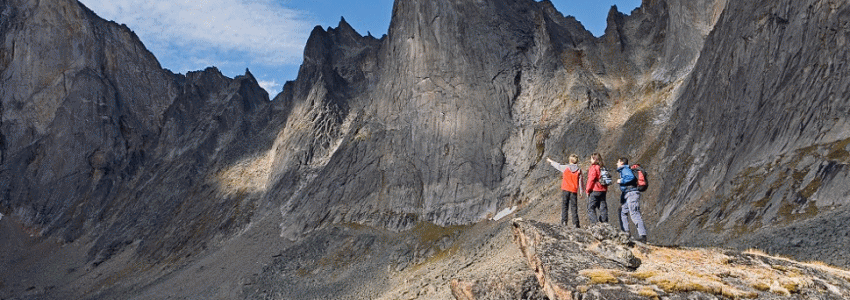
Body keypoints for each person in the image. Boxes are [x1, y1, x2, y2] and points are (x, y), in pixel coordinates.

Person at [547, 154, 585, 228]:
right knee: (574, 207)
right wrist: (581, 191)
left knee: (565, 206)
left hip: (565, 189)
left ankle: (564, 222)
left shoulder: (565, 168)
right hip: (573, 191)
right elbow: (581, 181)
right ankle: (576, 224)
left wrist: (550, 161)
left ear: (570, 160)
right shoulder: (579, 170)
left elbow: (557, 165)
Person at [617, 157, 647, 242]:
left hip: (631, 194)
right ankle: (626, 234)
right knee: (622, 211)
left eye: (618, 162)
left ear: (622, 162)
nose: (617, 164)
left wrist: (621, 180)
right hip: (628, 194)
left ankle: (643, 236)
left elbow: (630, 178)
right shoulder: (625, 169)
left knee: (634, 214)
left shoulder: (625, 169)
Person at [585, 153, 608, 224]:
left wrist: (587, 190)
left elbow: (591, 179)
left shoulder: (594, 167)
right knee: (602, 207)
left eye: (591, 158)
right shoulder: (602, 167)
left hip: (595, 190)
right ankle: (605, 223)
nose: (590, 160)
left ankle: (595, 225)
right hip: (603, 190)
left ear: (594, 159)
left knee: (590, 208)